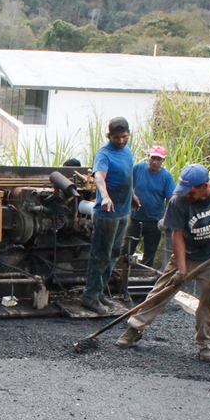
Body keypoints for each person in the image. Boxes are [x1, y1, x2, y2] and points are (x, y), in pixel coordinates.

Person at [116, 164, 210, 362]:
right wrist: (182, 269)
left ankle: (205, 344)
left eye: (191, 193)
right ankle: (134, 329)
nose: (187, 196)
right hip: (187, 254)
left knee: (208, 301)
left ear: (204, 185)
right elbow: (177, 235)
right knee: (161, 291)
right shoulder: (178, 201)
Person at [83, 117, 134, 315]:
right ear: (109, 136)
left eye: (124, 136)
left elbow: (128, 176)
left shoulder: (127, 151)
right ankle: (90, 296)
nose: (121, 141)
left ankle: (100, 291)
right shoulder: (104, 154)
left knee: (113, 254)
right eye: (116, 137)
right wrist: (105, 197)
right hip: (107, 213)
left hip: (123, 211)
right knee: (101, 255)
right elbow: (99, 177)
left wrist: (134, 196)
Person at [127, 145, 175, 268]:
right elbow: (128, 182)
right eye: (153, 158)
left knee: (150, 252)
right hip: (136, 218)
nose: (155, 161)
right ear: (148, 157)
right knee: (127, 248)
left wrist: (165, 218)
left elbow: (170, 200)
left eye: (158, 159)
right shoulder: (138, 168)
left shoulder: (166, 177)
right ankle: (121, 271)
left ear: (163, 160)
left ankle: (144, 275)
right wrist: (132, 196)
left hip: (154, 221)